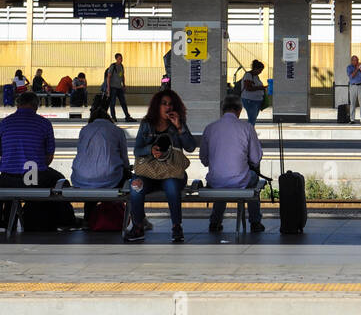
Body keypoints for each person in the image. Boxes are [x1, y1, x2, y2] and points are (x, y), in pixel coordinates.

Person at [125, 89, 196, 242]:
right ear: (157, 106)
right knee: (136, 185)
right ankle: (138, 226)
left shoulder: (178, 123)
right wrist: (151, 150)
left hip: (172, 173)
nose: (167, 107)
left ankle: (177, 227)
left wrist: (179, 128)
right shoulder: (146, 124)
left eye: (170, 104)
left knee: (171, 186)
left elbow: (190, 147)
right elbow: (137, 150)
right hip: (149, 173)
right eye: (164, 104)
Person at [0, 92, 68, 229]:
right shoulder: (44, 124)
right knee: (60, 180)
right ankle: (61, 220)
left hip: (7, 179)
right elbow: (49, 156)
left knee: (16, 184)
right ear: (36, 106)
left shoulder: (4, 123)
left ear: (18, 104)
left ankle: (8, 220)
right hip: (33, 178)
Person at [200, 95, 264, 233]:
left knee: (221, 178)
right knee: (253, 178)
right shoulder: (247, 128)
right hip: (240, 181)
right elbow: (256, 158)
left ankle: (215, 221)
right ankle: (255, 222)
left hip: (215, 181)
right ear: (240, 110)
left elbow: (204, 160)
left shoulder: (210, 128)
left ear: (222, 110)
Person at [71, 94, 131, 222]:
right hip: (110, 178)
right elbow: (124, 159)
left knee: (91, 188)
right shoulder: (117, 131)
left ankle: (88, 220)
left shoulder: (84, 130)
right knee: (128, 179)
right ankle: (136, 219)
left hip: (82, 179)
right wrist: (127, 170)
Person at [104, 53, 135, 123]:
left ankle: (127, 116)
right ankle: (113, 117)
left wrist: (124, 84)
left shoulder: (121, 66)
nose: (121, 60)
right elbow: (108, 77)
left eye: (121, 58)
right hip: (113, 87)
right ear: (116, 59)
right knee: (112, 103)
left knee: (123, 102)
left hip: (119, 87)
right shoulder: (113, 66)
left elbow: (122, 76)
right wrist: (108, 88)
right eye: (119, 58)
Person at [240, 59, 266, 125]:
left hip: (256, 100)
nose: (261, 72)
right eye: (260, 70)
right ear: (255, 68)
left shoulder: (256, 76)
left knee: (253, 118)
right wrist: (261, 88)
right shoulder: (248, 75)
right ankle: (249, 133)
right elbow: (248, 88)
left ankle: (250, 131)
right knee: (252, 118)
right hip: (250, 100)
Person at [347, 55, 361, 124]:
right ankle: (352, 119)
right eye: (354, 60)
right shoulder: (349, 67)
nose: (356, 61)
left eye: (357, 60)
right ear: (352, 61)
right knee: (352, 103)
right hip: (353, 86)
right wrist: (356, 69)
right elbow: (351, 76)